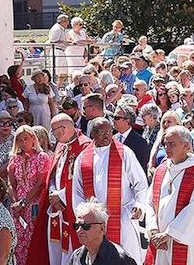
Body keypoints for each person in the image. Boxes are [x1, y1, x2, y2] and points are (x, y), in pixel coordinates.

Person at [72, 117, 148, 265]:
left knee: (125, 258)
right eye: (102, 132)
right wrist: (83, 217)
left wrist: (139, 205)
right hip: (93, 223)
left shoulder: (124, 153)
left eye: (109, 131)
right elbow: (77, 191)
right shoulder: (83, 158)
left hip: (122, 218)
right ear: (92, 134)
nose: (107, 135)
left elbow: (141, 183)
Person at [27, 113, 92, 265]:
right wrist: (52, 193)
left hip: (72, 207)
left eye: (54, 130)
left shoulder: (84, 146)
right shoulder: (61, 145)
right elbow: (53, 173)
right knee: (54, 248)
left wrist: (61, 196)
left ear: (63, 129)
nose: (54, 134)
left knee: (71, 249)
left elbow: (84, 181)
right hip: (56, 208)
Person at [145, 126, 194, 265]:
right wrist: (153, 230)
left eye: (172, 144)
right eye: (165, 144)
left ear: (186, 145)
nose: (167, 148)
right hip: (158, 237)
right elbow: (150, 201)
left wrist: (168, 234)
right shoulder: (162, 169)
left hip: (182, 239)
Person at [7, 126, 52, 265]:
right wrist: (16, 203)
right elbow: (11, 183)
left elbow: (40, 184)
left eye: (26, 139)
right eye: (19, 140)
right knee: (18, 239)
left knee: (34, 237)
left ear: (33, 139)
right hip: (18, 205)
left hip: (34, 203)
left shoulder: (42, 157)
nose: (23, 142)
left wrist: (24, 203)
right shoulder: (15, 159)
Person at [67, 199, 136, 265]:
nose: (80, 230)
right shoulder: (76, 256)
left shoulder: (120, 259)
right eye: (77, 225)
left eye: (86, 226)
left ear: (102, 228)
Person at [112, 105, 149, 174]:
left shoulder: (140, 142)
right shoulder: (113, 139)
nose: (113, 120)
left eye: (116, 118)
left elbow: (141, 170)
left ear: (127, 120)